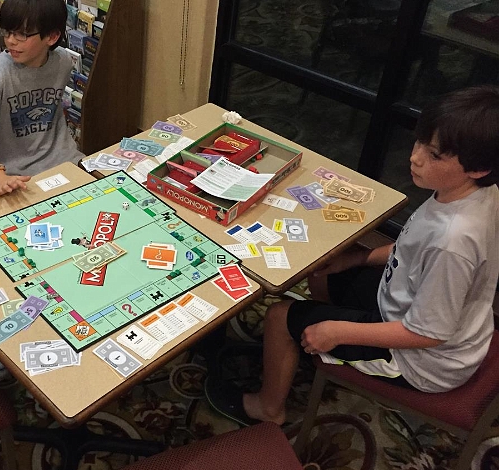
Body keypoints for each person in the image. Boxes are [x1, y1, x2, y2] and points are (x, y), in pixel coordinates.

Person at [206, 85, 499, 426]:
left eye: (434, 155)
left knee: (278, 315)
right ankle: (312, 343)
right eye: (419, 141)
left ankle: (268, 408)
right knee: (322, 269)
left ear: (478, 169)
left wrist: (339, 331)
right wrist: (356, 259)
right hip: (408, 305)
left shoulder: (453, 241)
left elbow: (428, 333)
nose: (415, 157)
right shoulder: (474, 192)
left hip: (420, 361)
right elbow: (413, 248)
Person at [0, 0, 84, 198]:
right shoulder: (0, 71)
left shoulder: (64, 62)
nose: (10, 41)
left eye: (21, 34)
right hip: (12, 172)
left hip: (63, 159)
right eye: (7, 32)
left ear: (52, 37)